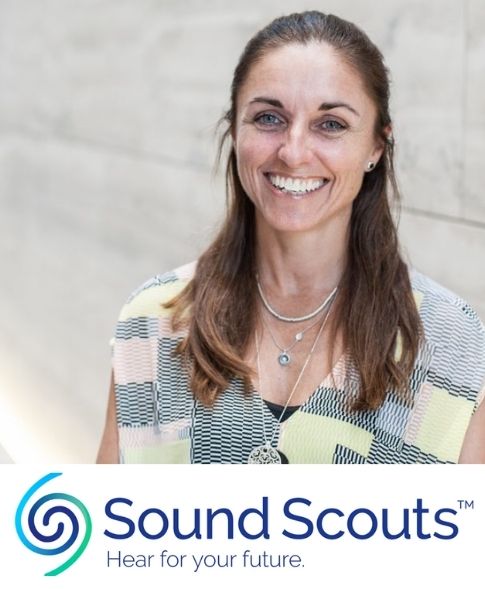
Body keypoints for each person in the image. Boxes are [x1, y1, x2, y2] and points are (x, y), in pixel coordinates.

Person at [97, 11, 485, 464]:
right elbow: (110, 509)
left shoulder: (452, 344)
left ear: (376, 147)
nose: (294, 152)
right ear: (235, 131)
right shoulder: (153, 322)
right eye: (268, 118)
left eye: (331, 124)